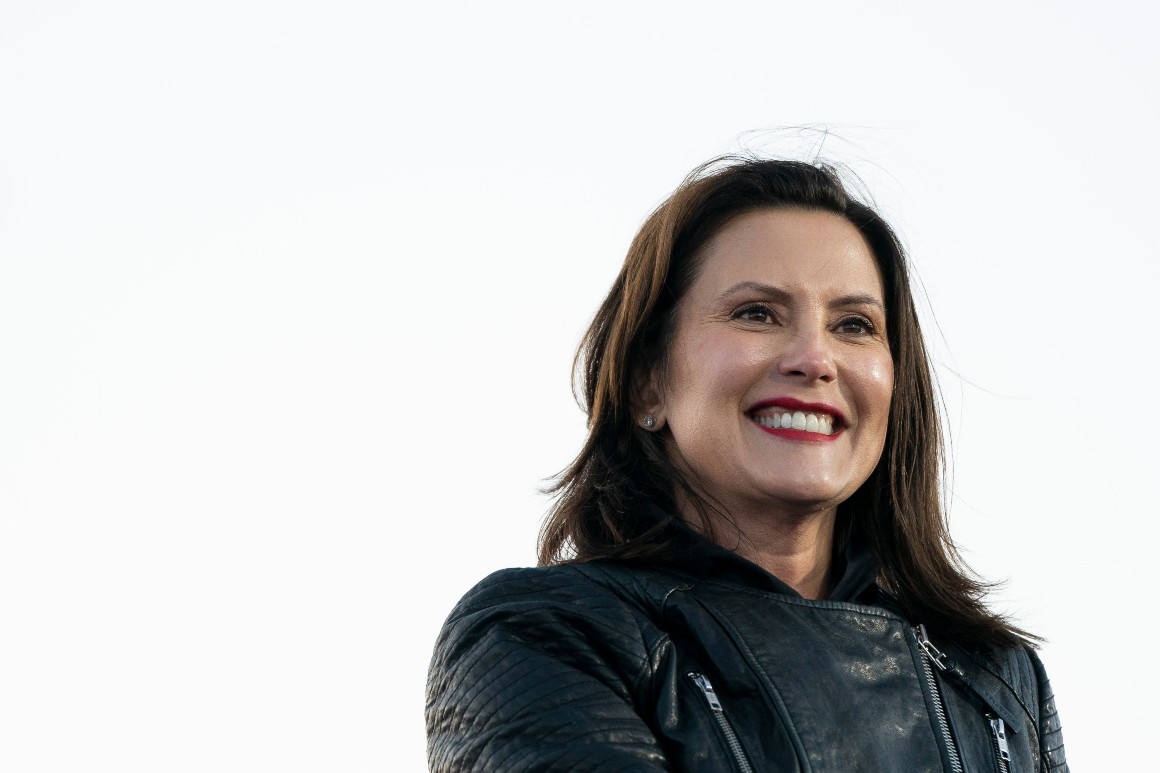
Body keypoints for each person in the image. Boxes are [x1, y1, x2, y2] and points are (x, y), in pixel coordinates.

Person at [425, 156, 1069, 772]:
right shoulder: (542, 634)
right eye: (756, 314)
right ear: (649, 382)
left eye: (853, 325)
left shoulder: (999, 679)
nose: (815, 359)